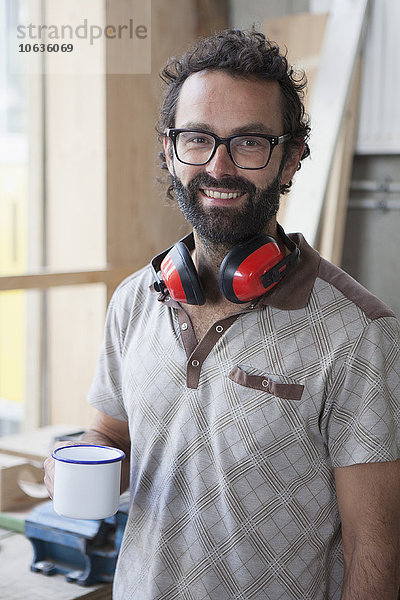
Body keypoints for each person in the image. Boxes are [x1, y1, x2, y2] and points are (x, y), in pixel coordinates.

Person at [44, 29, 400, 599]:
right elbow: (111, 430)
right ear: (170, 149)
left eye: (251, 142)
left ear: (289, 161)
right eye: (198, 139)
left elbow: (375, 550)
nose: (220, 166)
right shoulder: (136, 300)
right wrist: (77, 461)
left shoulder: (356, 332)